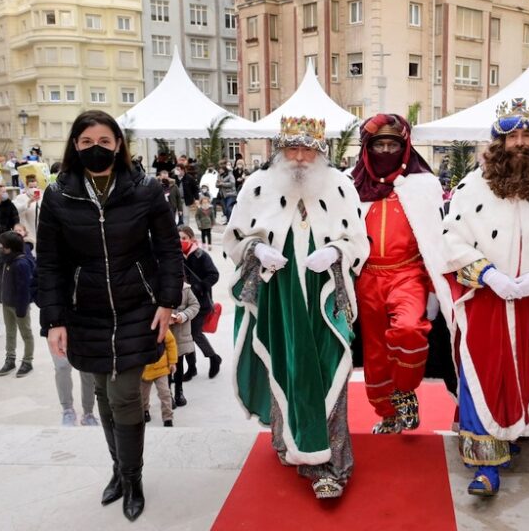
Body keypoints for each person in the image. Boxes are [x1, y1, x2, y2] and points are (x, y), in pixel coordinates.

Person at [37, 110, 183, 522]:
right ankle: (118, 471)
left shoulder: (145, 189)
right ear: (74, 147)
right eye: (86, 143)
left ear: (118, 144)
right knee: (101, 393)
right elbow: (49, 262)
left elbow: (169, 249)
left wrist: (168, 301)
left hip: (139, 305)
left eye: (104, 141)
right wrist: (54, 319)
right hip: (85, 310)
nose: (95, 149)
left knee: (123, 394)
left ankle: (133, 478)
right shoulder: (58, 196)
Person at [442, 98, 529, 496]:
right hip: (484, 300)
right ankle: (485, 467)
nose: (520, 143)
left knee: (524, 375)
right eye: (512, 136)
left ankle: (511, 431)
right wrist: (487, 274)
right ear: (498, 143)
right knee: (481, 376)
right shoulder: (472, 187)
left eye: (527, 136)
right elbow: (451, 238)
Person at [223, 115, 369, 500]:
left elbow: (359, 240)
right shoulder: (256, 186)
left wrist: (336, 251)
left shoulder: (341, 186)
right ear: (280, 150)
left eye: (308, 148)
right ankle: (291, 443)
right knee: (286, 366)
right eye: (293, 148)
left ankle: (332, 463)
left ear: (321, 151)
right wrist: (258, 250)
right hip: (278, 295)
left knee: (326, 370)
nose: (300, 157)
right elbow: (235, 237)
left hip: (325, 296)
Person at [350, 113, 454, 433]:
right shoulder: (350, 184)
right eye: (378, 144)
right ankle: (387, 413)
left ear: (405, 146)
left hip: (408, 274)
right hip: (367, 277)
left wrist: (436, 288)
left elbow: (436, 237)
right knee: (375, 352)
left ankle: (405, 391)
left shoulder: (424, 185)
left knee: (409, 330)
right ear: (367, 148)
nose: (384, 151)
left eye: (391, 144)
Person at [178, 226, 222, 379]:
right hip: (184, 304)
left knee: (194, 334)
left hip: (201, 303)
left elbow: (214, 275)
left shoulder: (200, 255)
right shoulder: (177, 256)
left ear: (191, 239)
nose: (181, 241)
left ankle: (213, 358)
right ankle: (192, 368)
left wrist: (201, 285)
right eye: (178, 238)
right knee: (185, 337)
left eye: (184, 238)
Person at [0, 231, 37, 378]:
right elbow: (3, 281)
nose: (0, 247)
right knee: (10, 332)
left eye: (3, 245)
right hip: (7, 303)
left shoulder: (21, 264)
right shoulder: (7, 260)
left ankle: (28, 361)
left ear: (11, 246)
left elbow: (24, 289)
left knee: (26, 333)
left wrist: (21, 309)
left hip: (19, 306)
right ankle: (10, 359)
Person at [168, 281, 199, 408]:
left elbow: (195, 305)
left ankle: (178, 392)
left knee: (179, 363)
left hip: (180, 333)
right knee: (165, 367)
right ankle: (167, 394)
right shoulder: (157, 285)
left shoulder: (185, 289)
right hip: (164, 333)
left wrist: (183, 315)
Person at [141, 329, 178, 427]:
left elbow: (171, 343)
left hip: (161, 368)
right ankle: (145, 410)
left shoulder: (161, 325)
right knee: (143, 395)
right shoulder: (136, 328)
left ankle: (168, 418)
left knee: (165, 393)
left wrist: (172, 362)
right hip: (144, 370)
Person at [13, 175, 43, 248]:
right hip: (27, 228)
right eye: (31, 187)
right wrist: (29, 202)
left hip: (40, 228)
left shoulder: (43, 196)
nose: (33, 189)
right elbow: (15, 210)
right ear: (26, 186)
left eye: (35, 187)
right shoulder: (20, 197)